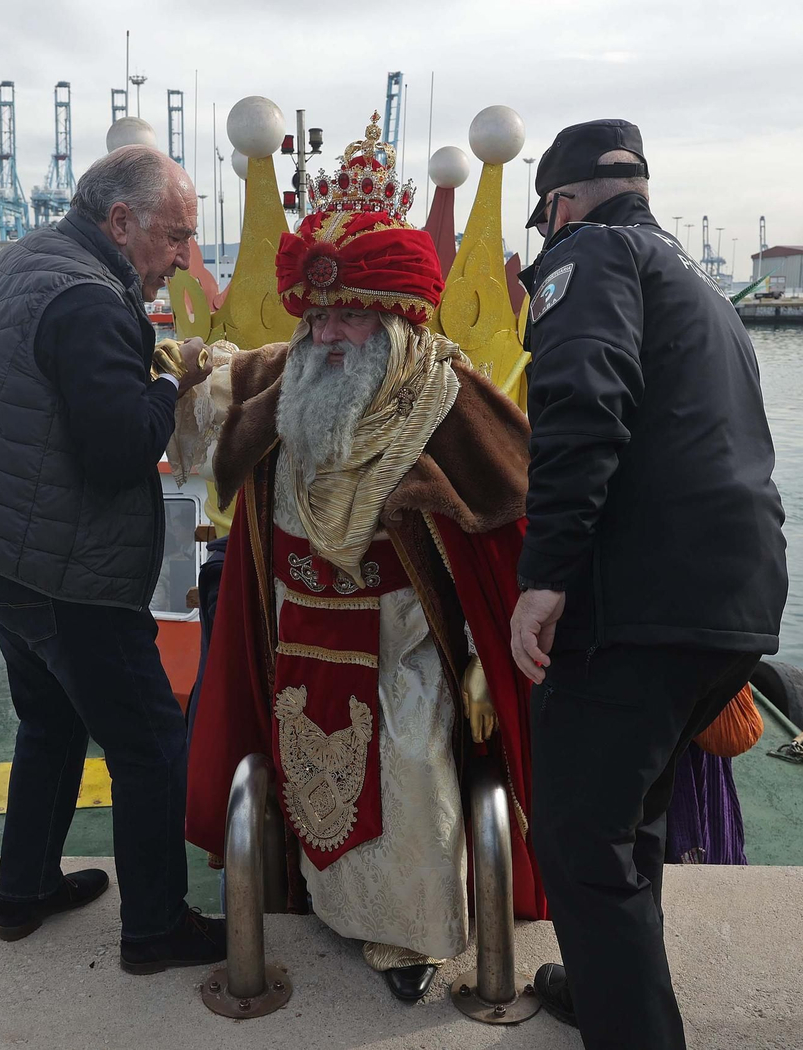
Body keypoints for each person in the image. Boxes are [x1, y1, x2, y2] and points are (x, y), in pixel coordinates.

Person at [179, 113, 546, 1004]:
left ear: (395, 317)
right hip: (295, 630)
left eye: (349, 316)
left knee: (411, 780)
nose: (329, 334)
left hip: (403, 640)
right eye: (319, 314)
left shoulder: (446, 393)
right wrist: (165, 364)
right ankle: (329, 908)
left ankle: (414, 941)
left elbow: (518, 497)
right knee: (304, 776)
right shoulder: (289, 370)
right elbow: (208, 388)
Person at [0, 144, 227, 974]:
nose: (179, 259)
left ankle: (25, 893)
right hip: (56, 565)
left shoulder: (27, 260)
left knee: (50, 717)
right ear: (121, 222)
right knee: (152, 740)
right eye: (174, 236)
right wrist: (172, 381)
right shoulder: (89, 299)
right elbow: (122, 448)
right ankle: (157, 929)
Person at [510, 119, 788, 1048]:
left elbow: (581, 404)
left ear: (561, 202)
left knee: (582, 840)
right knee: (632, 821)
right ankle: (605, 989)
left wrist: (545, 576)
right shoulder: (696, 284)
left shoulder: (586, 257)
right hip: (733, 595)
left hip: (637, 599)